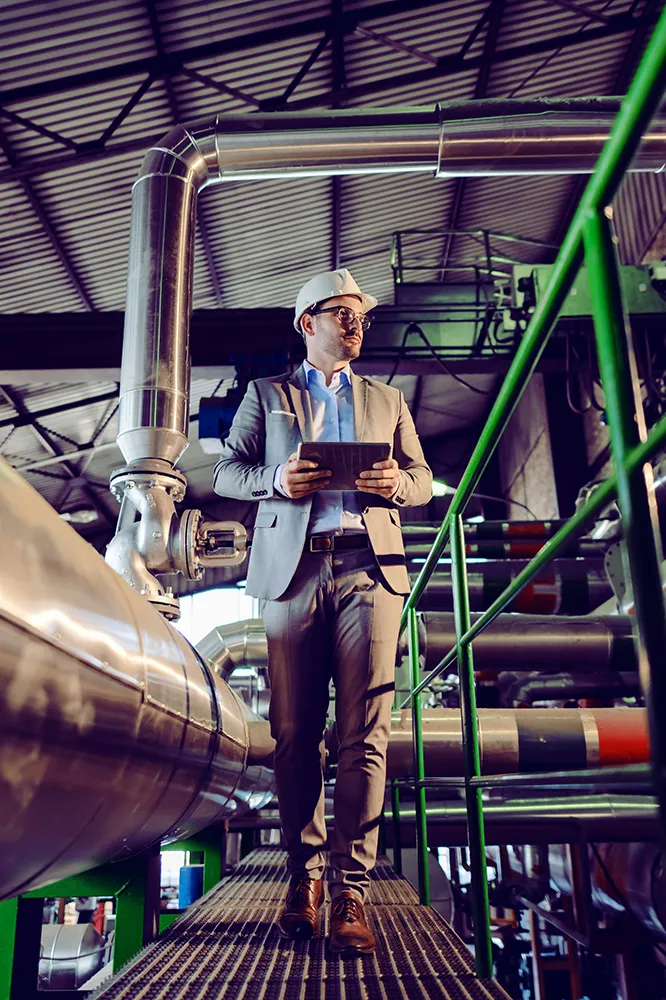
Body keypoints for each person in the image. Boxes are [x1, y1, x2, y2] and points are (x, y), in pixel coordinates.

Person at [213, 268, 432, 955]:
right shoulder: (267, 395)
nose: (357, 323)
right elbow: (225, 472)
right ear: (308, 323)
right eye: (343, 313)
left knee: (365, 735)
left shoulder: (388, 399)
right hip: (294, 571)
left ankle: (351, 892)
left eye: (361, 315)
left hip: (369, 569)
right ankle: (303, 879)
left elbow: (424, 481)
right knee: (293, 732)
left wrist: (397, 483)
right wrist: (276, 479)